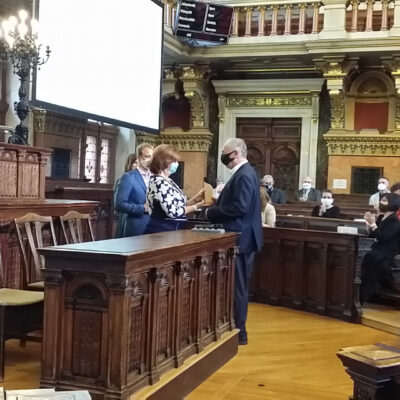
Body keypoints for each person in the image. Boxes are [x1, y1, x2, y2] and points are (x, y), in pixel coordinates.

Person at [205, 138, 262, 345]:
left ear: (236, 153)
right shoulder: (244, 172)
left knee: (238, 287)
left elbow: (240, 208)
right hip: (243, 237)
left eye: (225, 152)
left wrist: (211, 212)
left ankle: (239, 332)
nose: (222, 155)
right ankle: (235, 329)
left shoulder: (244, 174)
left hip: (242, 239)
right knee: (237, 286)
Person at [144, 144, 204, 233]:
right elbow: (173, 211)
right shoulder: (159, 182)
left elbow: (179, 205)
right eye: (174, 161)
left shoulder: (168, 180)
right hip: (161, 231)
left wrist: (196, 198)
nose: (177, 164)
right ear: (165, 162)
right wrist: (195, 207)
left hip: (171, 230)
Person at [360, 193, 400, 304]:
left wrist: (373, 225)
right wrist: (369, 226)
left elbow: (383, 238)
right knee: (366, 255)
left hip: (387, 251)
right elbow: (373, 235)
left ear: (392, 203)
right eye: (381, 200)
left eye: (384, 201)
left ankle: (366, 293)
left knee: (371, 258)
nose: (381, 203)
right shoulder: (382, 217)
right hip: (378, 248)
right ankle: (364, 291)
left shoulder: (394, 221)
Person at [115, 143, 154, 236]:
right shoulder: (128, 177)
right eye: (147, 156)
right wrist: (143, 208)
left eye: (152, 157)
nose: (150, 160)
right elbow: (119, 204)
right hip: (136, 227)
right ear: (139, 158)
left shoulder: (155, 177)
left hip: (154, 227)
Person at [114, 153, 138, 238]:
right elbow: (119, 203)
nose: (137, 165)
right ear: (130, 164)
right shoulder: (125, 178)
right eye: (135, 162)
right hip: (127, 215)